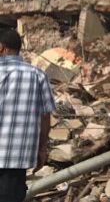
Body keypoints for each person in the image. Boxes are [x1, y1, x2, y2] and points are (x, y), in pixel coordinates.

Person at [0, 28, 55, 202]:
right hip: (16, 161)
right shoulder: (38, 75)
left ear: (1, 48)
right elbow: (45, 116)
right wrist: (41, 149)